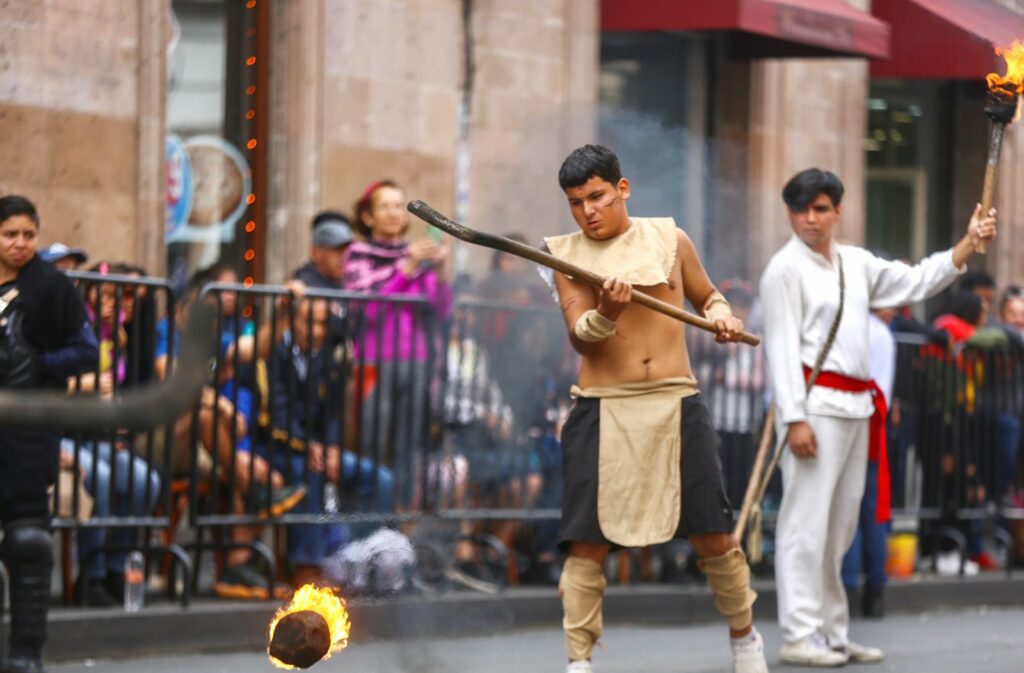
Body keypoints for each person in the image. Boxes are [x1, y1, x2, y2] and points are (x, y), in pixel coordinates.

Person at [759, 168, 996, 666]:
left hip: (856, 407)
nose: (810, 219)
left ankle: (831, 632)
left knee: (841, 526)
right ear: (789, 213)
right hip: (815, 406)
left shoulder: (854, 262)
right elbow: (779, 349)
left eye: (820, 208)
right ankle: (800, 634)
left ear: (837, 211)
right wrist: (794, 418)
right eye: (801, 209)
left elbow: (915, 281)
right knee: (806, 525)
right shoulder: (783, 269)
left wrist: (967, 244)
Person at [546, 145, 767, 673]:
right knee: (586, 544)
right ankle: (579, 662)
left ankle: (745, 640)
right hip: (604, 406)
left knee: (714, 533)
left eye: (597, 196)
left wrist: (724, 317)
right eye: (576, 203)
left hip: (674, 400)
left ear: (623, 189)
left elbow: (709, 296)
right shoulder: (563, 255)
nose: (588, 211)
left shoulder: (670, 239)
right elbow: (581, 337)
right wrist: (606, 311)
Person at [0, 195, 98, 673]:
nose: (19, 243)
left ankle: (25, 651)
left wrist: (37, 364)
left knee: (27, 539)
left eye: (27, 234)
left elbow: (86, 351)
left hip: (29, 426)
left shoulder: (52, 287)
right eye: (9, 234)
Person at [344, 180, 451, 507]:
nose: (393, 213)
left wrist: (441, 269)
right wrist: (407, 268)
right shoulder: (358, 255)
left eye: (398, 206)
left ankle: (404, 521)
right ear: (368, 216)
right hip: (374, 362)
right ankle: (369, 519)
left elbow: (442, 309)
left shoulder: (417, 255)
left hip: (417, 361)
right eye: (384, 206)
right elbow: (368, 310)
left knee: (410, 446)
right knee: (372, 441)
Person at [841, 307, 896, 618]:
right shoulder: (884, 333)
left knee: (849, 507)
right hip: (876, 418)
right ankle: (875, 589)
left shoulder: (858, 326)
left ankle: (849, 587)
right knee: (872, 510)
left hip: (854, 416)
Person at [293, 211, 356, 290]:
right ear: (315, 252)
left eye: (347, 249)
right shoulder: (304, 285)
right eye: (337, 249)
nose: (344, 256)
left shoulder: (354, 281)